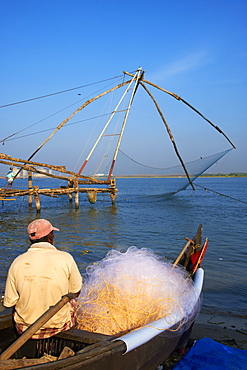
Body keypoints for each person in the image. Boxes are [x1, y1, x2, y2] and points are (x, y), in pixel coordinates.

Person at [3, 219, 82, 343]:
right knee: (73, 303)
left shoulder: (17, 261)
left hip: (25, 328)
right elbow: (76, 290)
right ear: (50, 237)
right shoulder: (66, 258)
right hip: (57, 326)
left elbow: (9, 302)